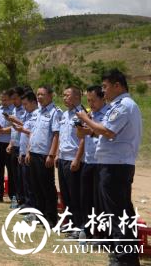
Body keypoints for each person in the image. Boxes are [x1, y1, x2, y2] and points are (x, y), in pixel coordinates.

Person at [75, 70, 142, 264]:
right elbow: (105, 133)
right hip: (113, 165)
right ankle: (125, 254)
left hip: (116, 167)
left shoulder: (124, 106)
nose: (103, 91)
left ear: (117, 86)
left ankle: (123, 258)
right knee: (121, 212)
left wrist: (85, 117)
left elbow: (108, 131)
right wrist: (88, 131)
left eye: (105, 87)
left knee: (117, 213)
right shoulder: (118, 106)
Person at [26, 86, 62, 225]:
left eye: (42, 94)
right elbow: (32, 133)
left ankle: (51, 217)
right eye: (38, 94)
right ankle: (39, 215)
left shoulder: (55, 112)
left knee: (47, 186)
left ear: (50, 95)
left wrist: (52, 155)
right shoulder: (37, 112)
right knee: (36, 186)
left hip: (45, 155)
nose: (39, 97)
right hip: (34, 153)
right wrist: (29, 150)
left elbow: (56, 134)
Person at [76, 85, 108, 240]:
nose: (91, 104)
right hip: (88, 161)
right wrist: (80, 126)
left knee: (100, 200)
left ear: (103, 98)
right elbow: (81, 135)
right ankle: (86, 230)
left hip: (101, 163)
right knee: (86, 198)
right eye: (88, 100)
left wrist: (87, 121)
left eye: (93, 100)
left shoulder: (108, 114)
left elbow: (103, 134)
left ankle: (101, 234)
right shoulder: (90, 114)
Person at [57, 86, 85, 237]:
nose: (64, 98)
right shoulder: (64, 114)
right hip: (62, 158)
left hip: (73, 160)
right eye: (63, 95)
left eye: (67, 95)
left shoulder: (82, 114)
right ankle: (70, 223)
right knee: (65, 194)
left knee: (75, 195)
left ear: (76, 97)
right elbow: (62, 136)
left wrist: (77, 158)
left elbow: (83, 139)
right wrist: (57, 155)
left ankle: (79, 225)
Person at [6, 91, 39, 209]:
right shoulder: (27, 114)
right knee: (22, 179)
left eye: (26, 104)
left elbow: (33, 134)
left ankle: (31, 205)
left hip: (33, 152)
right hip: (21, 149)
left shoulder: (37, 114)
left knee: (30, 182)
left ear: (33, 102)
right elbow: (24, 133)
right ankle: (23, 202)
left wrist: (27, 151)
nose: (24, 107)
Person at [7, 87, 26, 205]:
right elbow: (14, 130)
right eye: (12, 99)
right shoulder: (14, 109)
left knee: (22, 176)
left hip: (23, 147)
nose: (14, 101)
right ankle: (18, 199)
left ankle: (24, 200)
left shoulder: (27, 110)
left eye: (15, 98)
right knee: (15, 175)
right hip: (15, 146)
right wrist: (10, 143)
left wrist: (16, 120)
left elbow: (28, 127)